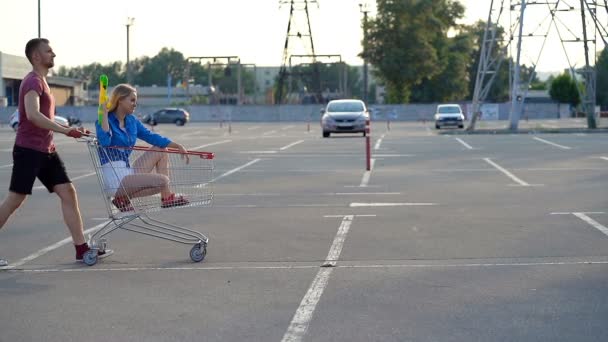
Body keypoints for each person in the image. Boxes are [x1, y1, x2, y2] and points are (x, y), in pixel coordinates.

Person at [0, 38, 111, 266]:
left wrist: (71, 130)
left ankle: (81, 249)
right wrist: (66, 130)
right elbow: (32, 115)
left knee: (68, 192)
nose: (54, 54)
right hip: (29, 151)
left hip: (46, 150)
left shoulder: (43, 82)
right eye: (48, 51)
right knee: (15, 200)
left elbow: (46, 118)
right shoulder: (32, 82)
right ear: (36, 57)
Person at [96, 84, 190, 212]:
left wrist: (177, 145)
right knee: (163, 181)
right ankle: (122, 197)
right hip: (115, 179)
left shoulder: (131, 121)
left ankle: (166, 197)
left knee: (161, 150)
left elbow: (150, 136)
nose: (135, 104)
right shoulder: (103, 120)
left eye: (136, 101)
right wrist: (105, 115)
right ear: (120, 100)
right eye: (132, 100)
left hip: (127, 171)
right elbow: (105, 142)